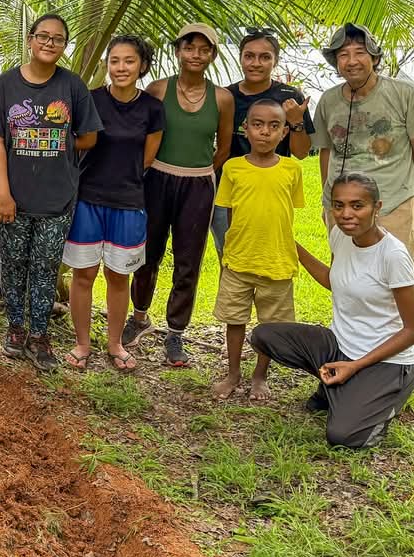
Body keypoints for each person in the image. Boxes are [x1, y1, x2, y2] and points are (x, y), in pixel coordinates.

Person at [251, 173, 414, 448]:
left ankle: (381, 398)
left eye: (358, 206)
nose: (346, 214)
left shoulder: (392, 255)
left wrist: (355, 365)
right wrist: (291, 246)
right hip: (341, 345)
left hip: (387, 362)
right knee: (264, 336)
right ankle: (341, 387)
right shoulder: (341, 236)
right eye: (338, 205)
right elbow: (337, 280)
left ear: (377, 208)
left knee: (343, 437)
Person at [312, 23, 414, 369]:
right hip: (341, 205)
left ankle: (413, 360)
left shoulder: (403, 94)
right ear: (335, 62)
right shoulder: (329, 100)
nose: (351, 61)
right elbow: (325, 152)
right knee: (348, 276)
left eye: (359, 53)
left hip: (392, 199)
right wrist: (328, 201)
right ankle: (351, 345)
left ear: (374, 57)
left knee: (398, 279)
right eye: (343, 55)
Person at [0, 15, 100, 371]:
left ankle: (40, 334)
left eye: (58, 39)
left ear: (65, 46)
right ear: (31, 40)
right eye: (43, 37)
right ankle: (16, 328)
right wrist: (3, 194)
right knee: (13, 265)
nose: (50, 43)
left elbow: (89, 136)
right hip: (12, 199)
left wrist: (59, 143)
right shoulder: (6, 86)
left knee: (46, 267)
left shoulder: (72, 87)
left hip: (57, 199)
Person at [126, 23, 234, 367]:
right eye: (190, 48)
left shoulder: (222, 98)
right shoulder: (158, 90)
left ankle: (176, 334)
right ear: (178, 51)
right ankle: (139, 317)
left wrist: (196, 173)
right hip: (157, 178)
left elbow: (223, 149)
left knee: (188, 261)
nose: (196, 55)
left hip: (198, 184)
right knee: (147, 253)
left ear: (212, 55)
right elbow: (143, 133)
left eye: (204, 50)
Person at [63, 35, 164, 372]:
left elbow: (148, 158)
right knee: (84, 275)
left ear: (142, 66)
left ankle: (115, 344)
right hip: (87, 199)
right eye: (115, 60)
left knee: (119, 276)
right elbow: (77, 144)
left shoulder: (152, 108)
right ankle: (82, 343)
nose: (121, 68)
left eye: (129, 61)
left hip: (128, 201)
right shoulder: (90, 100)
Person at [211, 99, 304, 400]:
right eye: (258, 124)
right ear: (246, 130)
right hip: (238, 261)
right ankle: (233, 373)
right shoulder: (232, 168)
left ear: (284, 132)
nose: (265, 132)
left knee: (271, 326)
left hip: (277, 262)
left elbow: (285, 212)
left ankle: (260, 376)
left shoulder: (291, 169)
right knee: (235, 320)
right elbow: (231, 216)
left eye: (274, 126)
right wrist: (230, 253)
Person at [210, 28, 313, 258]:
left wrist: (296, 122)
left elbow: (303, 152)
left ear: (275, 61)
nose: (256, 63)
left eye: (265, 57)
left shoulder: (290, 96)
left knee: (269, 253)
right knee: (228, 255)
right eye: (249, 56)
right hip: (229, 190)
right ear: (240, 58)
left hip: (272, 190)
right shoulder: (226, 96)